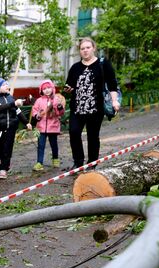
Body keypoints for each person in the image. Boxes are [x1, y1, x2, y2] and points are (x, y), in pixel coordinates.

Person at [64, 37, 120, 170]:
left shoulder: (103, 64)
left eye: (88, 47)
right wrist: (68, 89)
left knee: (93, 136)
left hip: (96, 108)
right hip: (77, 108)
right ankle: (78, 162)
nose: (85, 50)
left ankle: (92, 163)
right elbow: (69, 85)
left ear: (93, 48)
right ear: (80, 51)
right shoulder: (75, 67)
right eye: (82, 48)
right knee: (74, 132)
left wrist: (114, 100)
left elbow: (112, 84)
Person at [0, 77, 31, 180]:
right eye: (4, 85)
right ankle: (5, 162)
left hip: (11, 129)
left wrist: (26, 123)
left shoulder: (11, 98)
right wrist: (14, 103)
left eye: (7, 84)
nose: (7, 86)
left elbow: (18, 112)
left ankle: (3, 169)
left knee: (7, 149)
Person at [31, 79, 66, 171]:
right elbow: (34, 110)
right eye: (44, 88)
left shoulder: (56, 99)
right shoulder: (39, 100)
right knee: (41, 145)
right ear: (41, 90)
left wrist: (60, 108)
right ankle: (39, 162)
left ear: (52, 88)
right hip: (41, 127)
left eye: (48, 88)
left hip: (53, 127)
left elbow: (60, 113)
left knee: (53, 144)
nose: (47, 90)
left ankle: (55, 159)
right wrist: (37, 115)